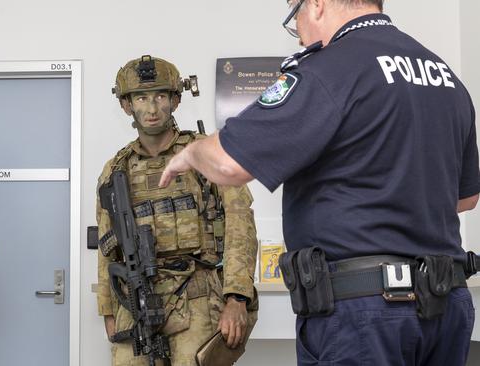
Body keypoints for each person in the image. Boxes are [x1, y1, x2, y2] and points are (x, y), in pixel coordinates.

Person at [160, 0, 478, 365]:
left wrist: (191, 152)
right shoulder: (445, 77)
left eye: (295, 18)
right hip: (446, 303)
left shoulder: (330, 68)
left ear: (317, 4)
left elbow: (228, 164)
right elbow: (466, 198)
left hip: (365, 313)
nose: (299, 37)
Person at [96, 55, 258, 366]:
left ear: (175, 100)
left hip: (197, 297)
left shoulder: (206, 153)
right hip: (137, 301)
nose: (152, 108)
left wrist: (237, 297)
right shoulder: (115, 170)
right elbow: (107, 246)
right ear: (126, 106)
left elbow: (241, 225)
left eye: (160, 96)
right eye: (142, 97)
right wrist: (108, 310)